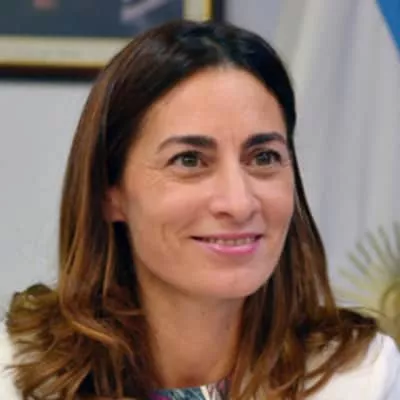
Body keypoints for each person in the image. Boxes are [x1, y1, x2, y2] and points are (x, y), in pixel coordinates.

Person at [0, 20, 399, 400]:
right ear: (110, 192)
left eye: (263, 157)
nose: (238, 203)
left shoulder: (359, 377)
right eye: (189, 160)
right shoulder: (16, 374)